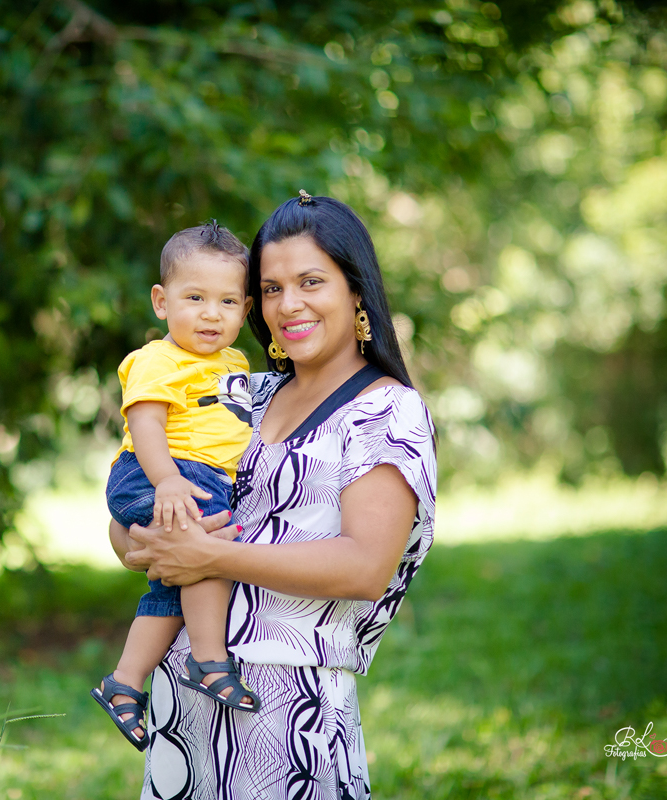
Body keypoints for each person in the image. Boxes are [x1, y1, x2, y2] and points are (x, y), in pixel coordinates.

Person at [116, 192, 437, 800]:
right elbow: (134, 509)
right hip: (181, 708)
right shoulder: (240, 392)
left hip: (291, 716)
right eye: (269, 288)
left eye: (311, 281)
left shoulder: (387, 414)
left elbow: (366, 567)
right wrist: (146, 539)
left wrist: (208, 557)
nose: (288, 305)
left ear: (356, 290)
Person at [91, 221, 263, 753]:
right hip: (160, 472)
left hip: (199, 479)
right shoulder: (157, 360)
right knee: (206, 554)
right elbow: (145, 424)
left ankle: (123, 683)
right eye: (195, 298)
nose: (212, 314)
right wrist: (166, 480)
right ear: (161, 302)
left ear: (246, 310)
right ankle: (209, 661)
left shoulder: (235, 362)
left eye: (228, 301)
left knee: (170, 588)